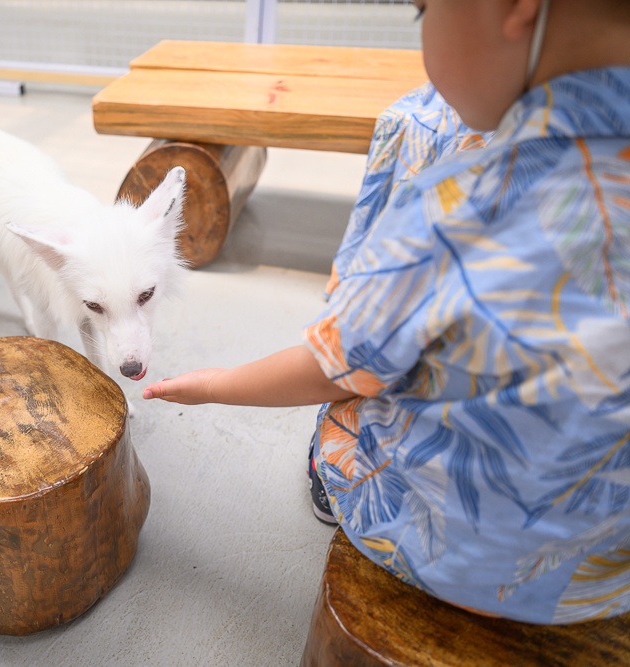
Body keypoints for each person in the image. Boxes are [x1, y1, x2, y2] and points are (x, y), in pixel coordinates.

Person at [142, 0, 630, 624]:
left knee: (352, 401)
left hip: (467, 562)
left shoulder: (459, 203)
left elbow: (335, 373)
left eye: (422, 9)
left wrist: (211, 385)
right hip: (607, 576)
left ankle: (339, 441)